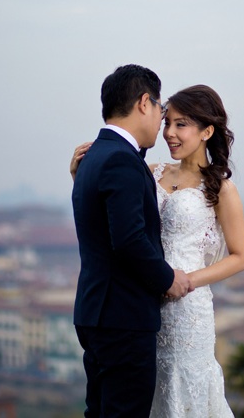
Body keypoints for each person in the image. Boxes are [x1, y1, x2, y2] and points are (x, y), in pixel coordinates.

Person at [71, 84, 244, 417]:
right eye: (167, 121)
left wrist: (186, 281)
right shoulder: (149, 171)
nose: (169, 132)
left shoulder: (221, 188)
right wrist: (79, 179)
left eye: (181, 124)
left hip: (186, 308)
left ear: (207, 131)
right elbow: (120, 223)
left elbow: (241, 257)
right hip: (139, 300)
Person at [71, 64, 193, 418]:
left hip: (97, 312)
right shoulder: (121, 161)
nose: (161, 123)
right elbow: (128, 239)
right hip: (123, 317)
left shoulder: (92, 156)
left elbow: (101, 225)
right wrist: (168, 279)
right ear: (144, 103)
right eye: (161, 111)